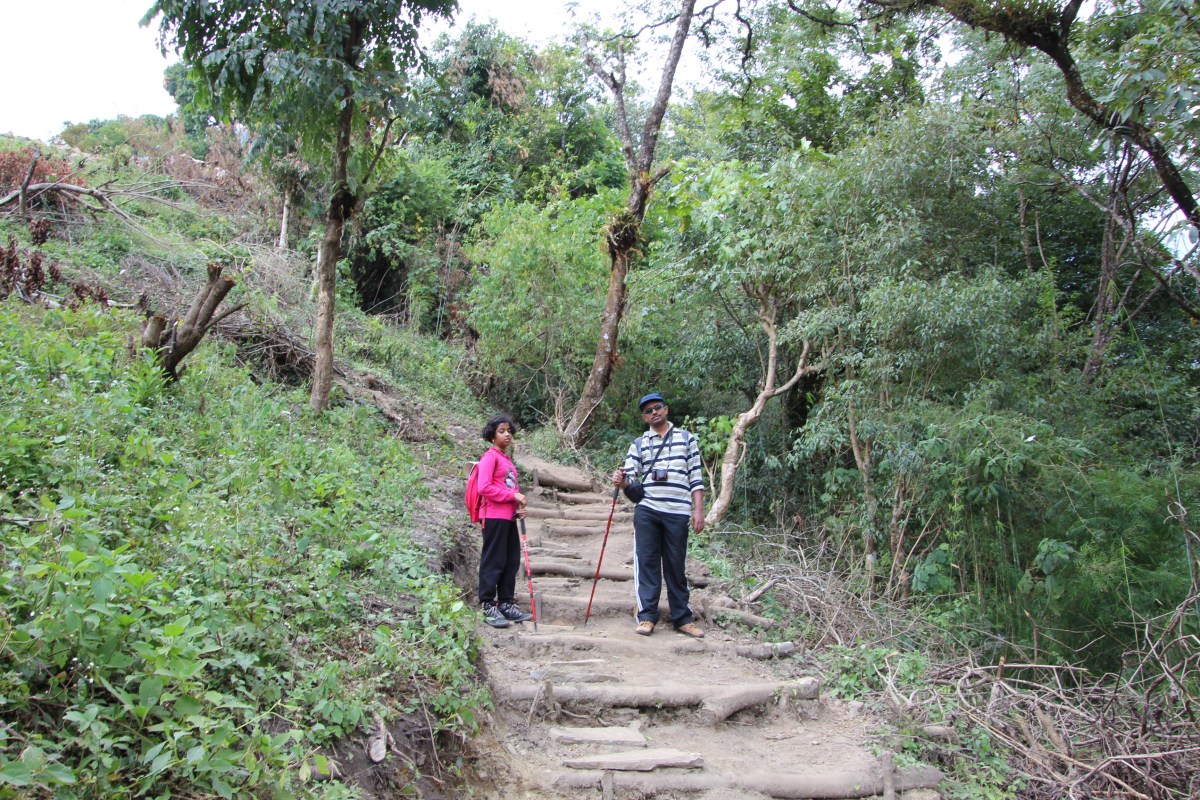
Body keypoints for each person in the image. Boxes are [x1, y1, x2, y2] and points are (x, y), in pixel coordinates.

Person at [612, 392, 706, 638]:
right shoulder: (639, 443)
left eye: (657, 407)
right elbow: (630, 476)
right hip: (648, 511)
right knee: (647, 563)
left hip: (678, 512)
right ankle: (646, 616)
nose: (654, 412)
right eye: (648, 410)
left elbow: (696, 477)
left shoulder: (686, 439)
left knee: (676, 565)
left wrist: (698, 510)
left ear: (666, 409)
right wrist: (622, 481)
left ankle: (682, 618)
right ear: (645, 417)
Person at [476, 414, 534, 628]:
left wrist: (517, 507)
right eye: (501, 431)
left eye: (509, 431)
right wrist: (512, 496)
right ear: (492, 436)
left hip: (508, 518)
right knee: (494, 561)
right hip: (493, 516)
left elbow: (508, 487)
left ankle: (506, 603)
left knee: (510, 561)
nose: (507, 434)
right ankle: (488, 604)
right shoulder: (489, 457)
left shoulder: (506, 460)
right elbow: (484, 487)